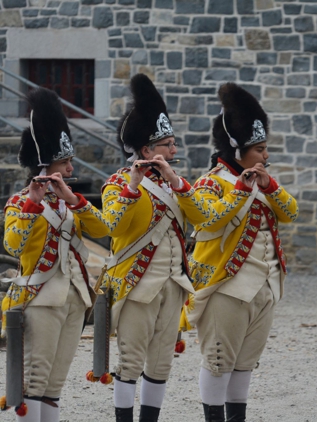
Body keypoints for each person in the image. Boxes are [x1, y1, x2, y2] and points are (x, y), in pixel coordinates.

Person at [188, 83, 299, 422]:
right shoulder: (210, 183)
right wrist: (240, 189)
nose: (266, 156)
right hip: (226, 285)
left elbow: (291, 213)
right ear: (237, 151)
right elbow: (208, 220)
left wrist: (269, 187)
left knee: (245, 365)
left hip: (265, 284)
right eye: (260, 149)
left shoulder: (264, 182)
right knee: (219, 361)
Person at [1, 88, 109, 421]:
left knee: (55, 382)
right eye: (66, 162)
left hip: (75, 297)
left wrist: (76, 200)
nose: (72, 167)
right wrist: (34, 203)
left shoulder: (71, 201)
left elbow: (103, 230)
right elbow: (13, 245)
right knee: (35, 378)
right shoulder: (21, 203)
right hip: (40, 297)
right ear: (47, 166)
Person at [99, 74, 202, 422]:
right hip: (136, 285)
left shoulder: (178, 184)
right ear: (146, 150)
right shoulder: (116, 184)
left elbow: (204, 217)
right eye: (167, 145)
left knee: (160, 362)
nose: (174, 151)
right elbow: (111, 225)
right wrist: (133, 184)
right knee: (130, 361)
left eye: (173, 144)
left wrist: (176, 181)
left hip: (174, 284)